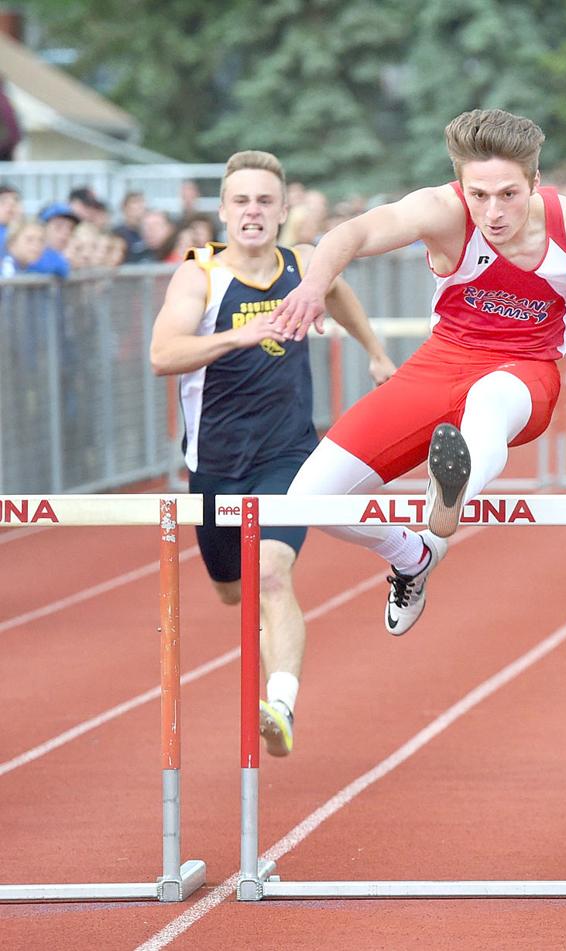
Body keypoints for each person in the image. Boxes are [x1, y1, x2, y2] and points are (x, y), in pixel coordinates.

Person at [270, 107, 566, 671]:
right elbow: (353, 233)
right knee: (309, 499)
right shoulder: (441, 211)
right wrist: (313, 284)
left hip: (525, 371)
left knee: (489, 402)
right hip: (439, 366)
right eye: (479, 195)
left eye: (508, 194)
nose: (493, 212)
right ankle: (413, 553)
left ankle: (449, 492)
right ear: (460, 184)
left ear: (535, 181)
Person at [149, 150, 396, 758]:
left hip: (288, 455)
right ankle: (265, 652)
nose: (253, 212)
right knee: (235, 592)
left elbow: (335, 291)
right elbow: (162, 355)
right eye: (241, 201)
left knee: (272, 577)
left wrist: (375, 351)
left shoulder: (304, 264)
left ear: (284, 210)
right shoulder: (199, 274)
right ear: (224, 211)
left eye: (265, 201)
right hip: (215, 465)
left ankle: (280, 704)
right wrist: (239, 334)